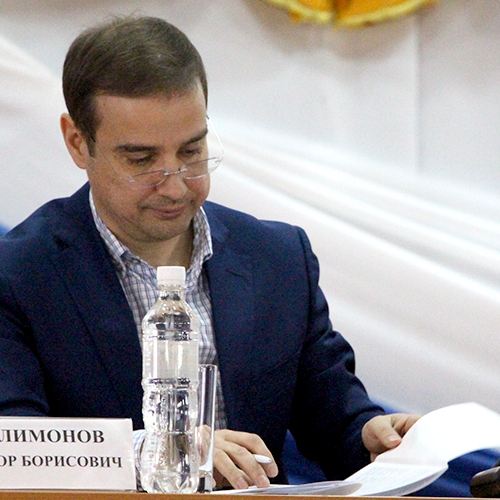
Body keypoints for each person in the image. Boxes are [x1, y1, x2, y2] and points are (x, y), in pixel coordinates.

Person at [0, 15, 418, 490]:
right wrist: (159, 452)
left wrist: (372, 436)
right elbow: (14, 448)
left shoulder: (278, 258)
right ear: (78, 142)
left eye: (191, 151)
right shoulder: (19, 276)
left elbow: (335, 416)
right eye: (142, 160)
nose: (175, 185)